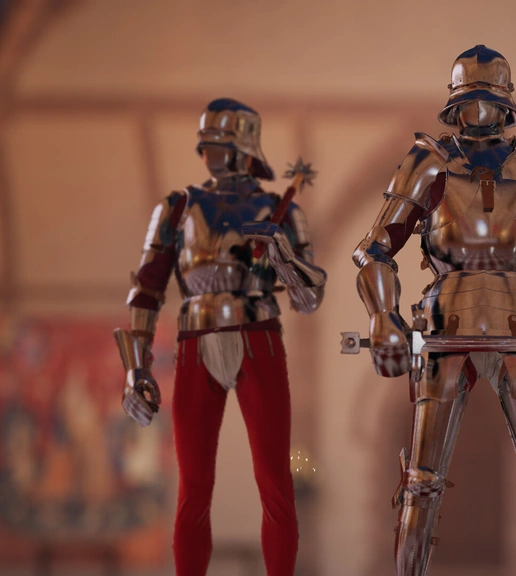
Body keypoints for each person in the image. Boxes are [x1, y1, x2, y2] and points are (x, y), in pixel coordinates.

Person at [352, 45, 516, 576]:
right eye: (470, 101)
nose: (480, 111)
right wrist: (383, 316)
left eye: (488, 100)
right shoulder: (427, 163)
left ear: (506, 103)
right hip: (445, 320)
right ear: (455, 105)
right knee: (420, 482)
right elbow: (374, 250)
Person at [117, 98, 326, 576]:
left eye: (220, 144)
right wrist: (135, 369)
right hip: (195, 338)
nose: (210, 154)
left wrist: (282, 257)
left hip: (259, 335)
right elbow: (147, 288)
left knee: (275, 482)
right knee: (192, 487)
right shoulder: (178, 207)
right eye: (207, 144)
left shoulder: (281, 210)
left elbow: (310, 297)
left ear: (243, 147)